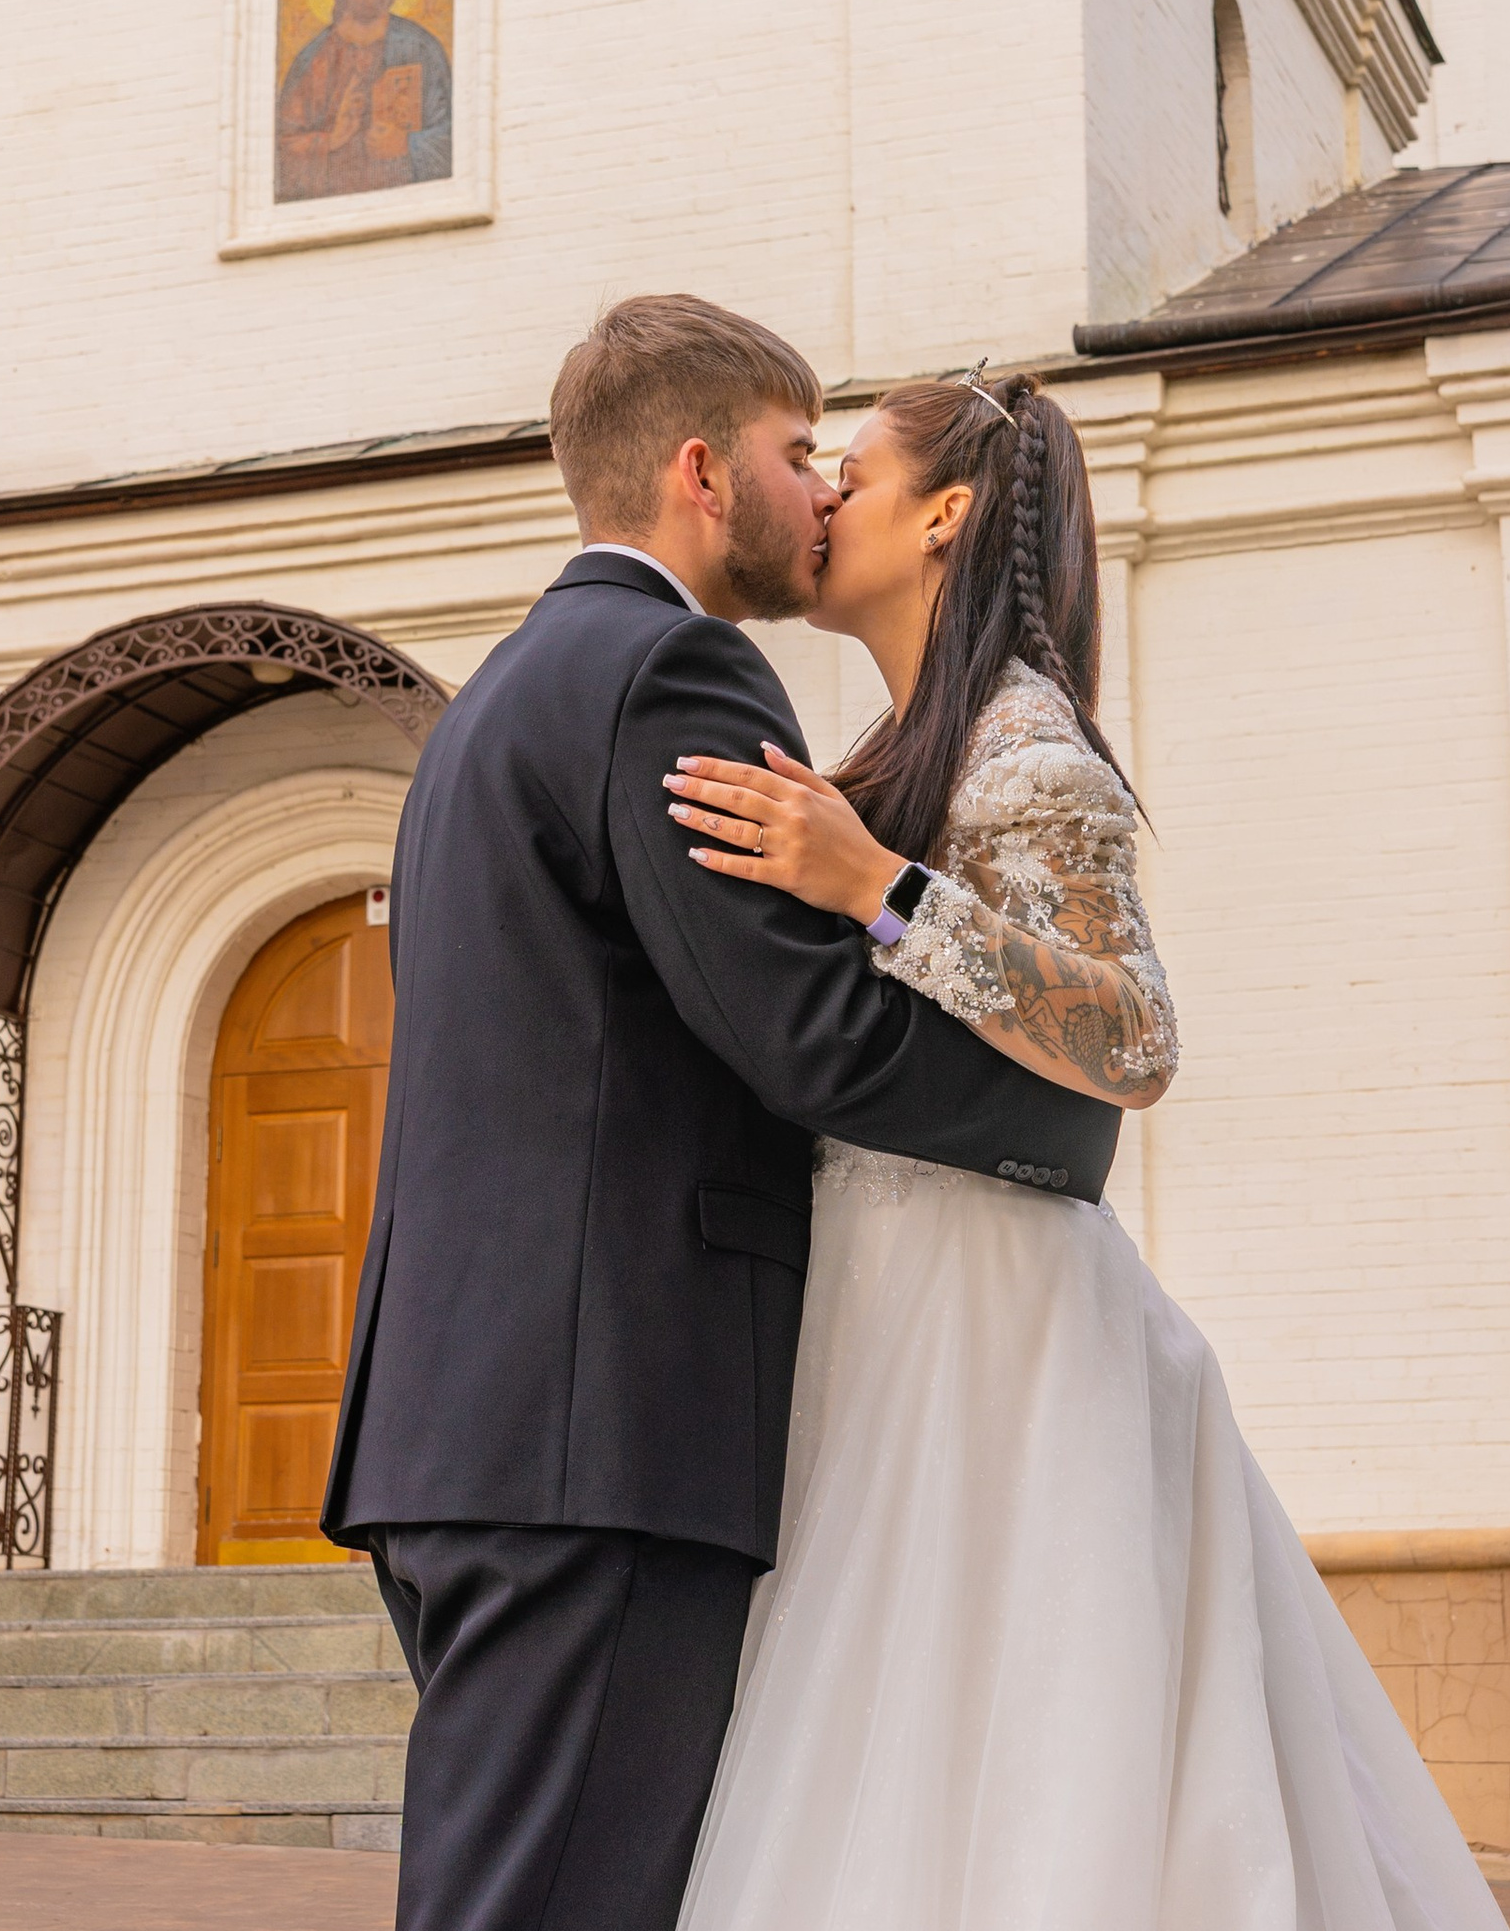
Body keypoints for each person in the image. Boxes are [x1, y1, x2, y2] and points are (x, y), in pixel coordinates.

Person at [659, 369, 1510, 1931]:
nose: (824, 500)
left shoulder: (1029, 751)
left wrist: (878, 892)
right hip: (885, 1287)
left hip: (996, 1320)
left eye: (853, 472)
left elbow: (1135, 1041)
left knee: (1020, 1726)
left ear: (948, 515)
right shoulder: (905, 738)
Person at [319, 300, 1120, 1931]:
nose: (819, 491)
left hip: (458, 1425)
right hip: (601, 1432)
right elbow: (814, 1037)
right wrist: (1068, 1117)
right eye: (794, 453)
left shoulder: (482, 708)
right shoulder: (671, 669)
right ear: (702, 471)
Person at [274, 0, 452, 198]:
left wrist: (407, 145)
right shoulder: (314, 58)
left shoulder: (420, 49)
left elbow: (454, 137)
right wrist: (330, 141)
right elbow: (278, 151)